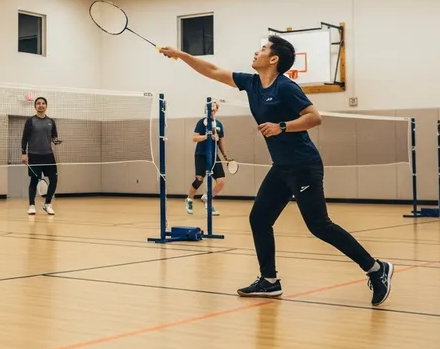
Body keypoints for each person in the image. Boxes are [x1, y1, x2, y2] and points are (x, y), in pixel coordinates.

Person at [159, 37, 393, 306]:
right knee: (259, 218)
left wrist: (281, 126)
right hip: (282, 167)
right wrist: (180, 54)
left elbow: (314, 117)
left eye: (263, 49)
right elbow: (213, 71)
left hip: (303, 165)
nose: (256, 51)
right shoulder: (252, 83)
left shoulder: (285, 87)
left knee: (319, 226)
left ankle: (376, 269)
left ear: (274, 59)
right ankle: (269, 281)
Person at [188, 99, 230, 216]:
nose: (212, 110)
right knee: (199, 180)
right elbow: (194, 138)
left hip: (214, 156)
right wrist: (207, 136)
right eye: (210, 108)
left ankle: (207, 199)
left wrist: (225, 156)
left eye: (214, 108)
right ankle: (189, 200)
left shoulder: (219, 125)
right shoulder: (202, 123)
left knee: (221, 182)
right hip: (201, 154)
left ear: (216, 110)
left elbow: (221, 142)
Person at [21, 96, 61, 216]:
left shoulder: (51, 121)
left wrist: (55, 141)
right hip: (34, 156)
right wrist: (24, 154)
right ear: (35, 106)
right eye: (38, 103)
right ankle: (32, 205)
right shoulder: (30, 121)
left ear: (46, 106)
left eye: (43, 103)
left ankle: (47, 204)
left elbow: (53, 137)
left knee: (54, 180)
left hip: (48, 155)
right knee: (34, 181)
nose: (41, 105)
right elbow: (24, 139)